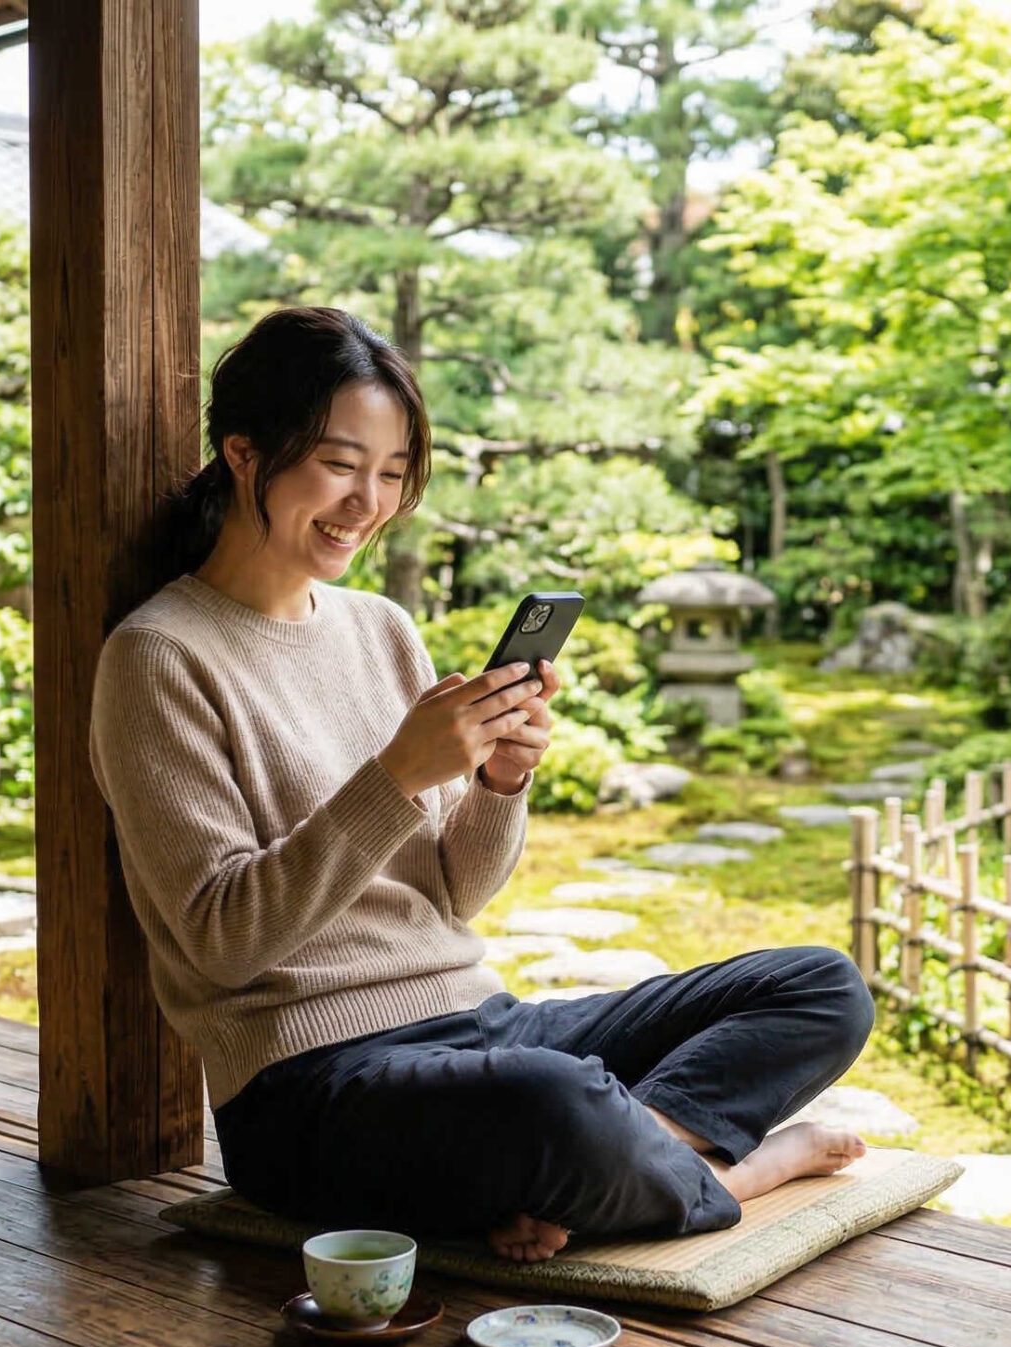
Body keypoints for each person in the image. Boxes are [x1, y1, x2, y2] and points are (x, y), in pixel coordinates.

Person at [91, 306, 873, 1262]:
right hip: (310, 1085)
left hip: (476, 1023)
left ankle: (636, 1157)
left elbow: (455, 893)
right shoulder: (159, 657)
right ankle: (725, 1171)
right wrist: (395, 777)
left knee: (819, 986)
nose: (366, 503)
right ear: (244, 454)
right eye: (340, 465)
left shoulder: (380, 629)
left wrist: (500, 781)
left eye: (390, 474)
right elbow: (221, 941)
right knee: (553, 1097)